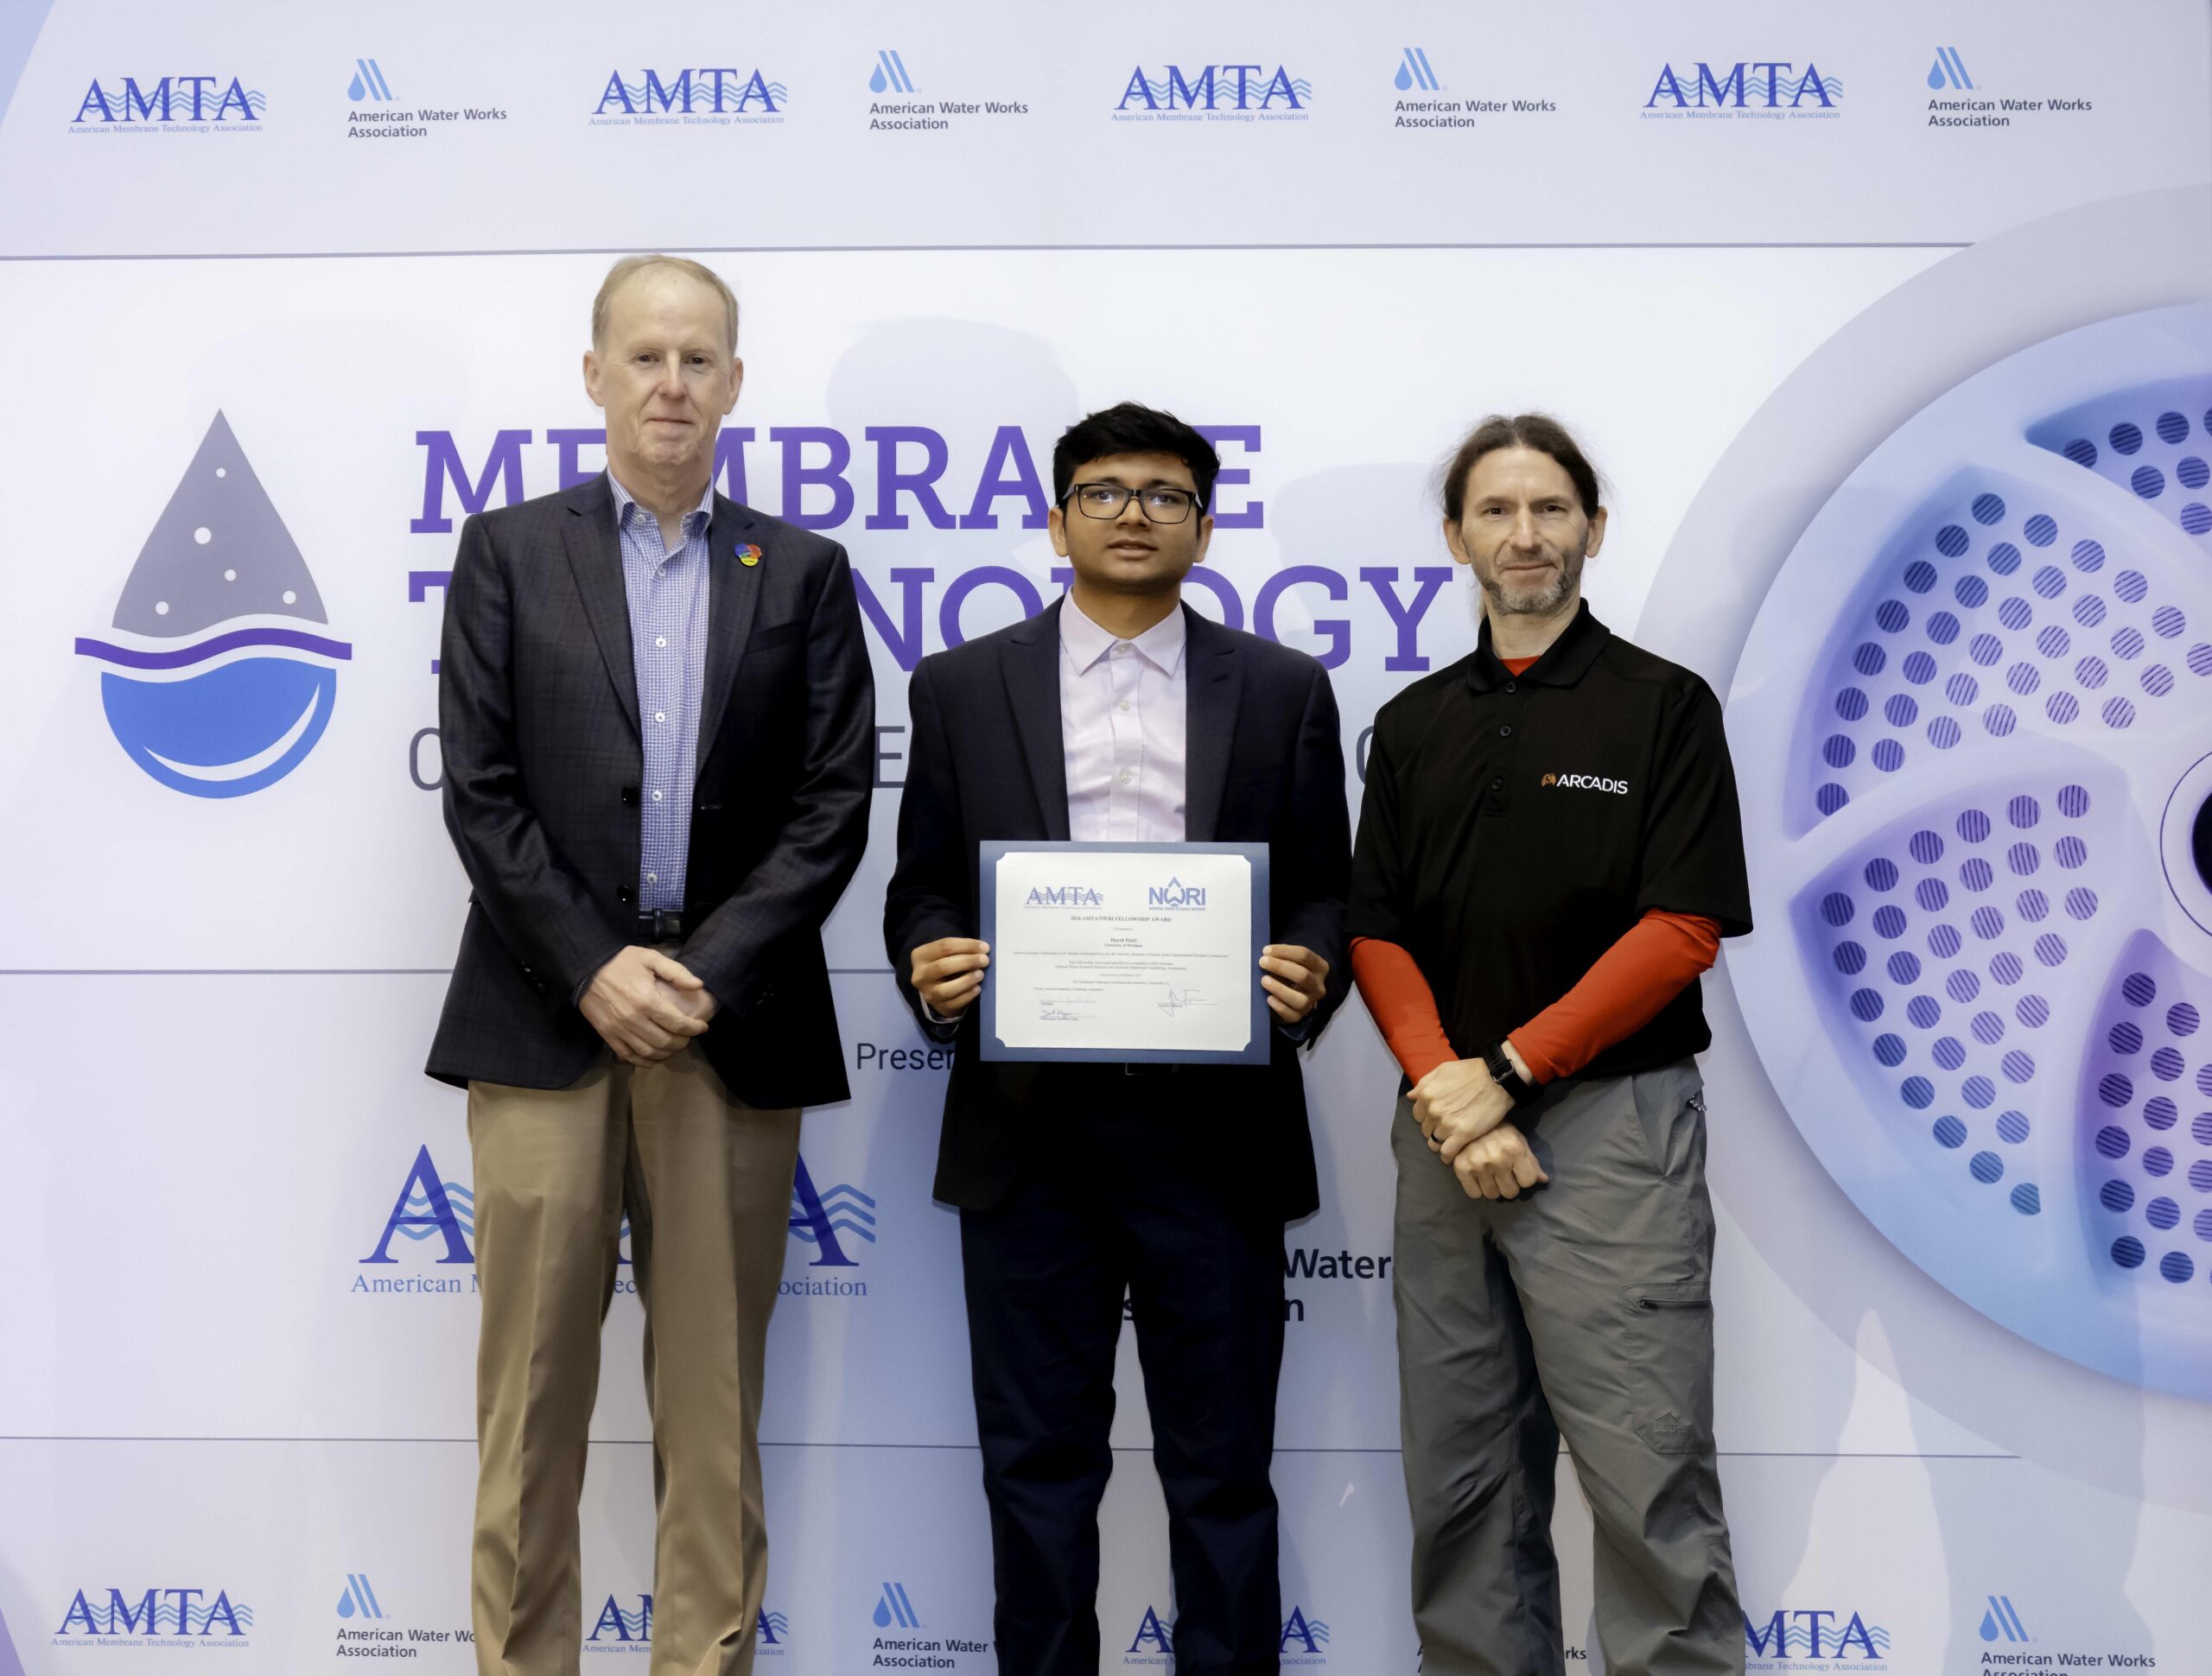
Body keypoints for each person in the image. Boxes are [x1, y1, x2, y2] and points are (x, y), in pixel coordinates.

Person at [425, 254, 874, 1676]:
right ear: (594, 375)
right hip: (544, 1022)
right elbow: (481, 790)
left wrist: (702, 973)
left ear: (734, 383)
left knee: (713, 1412)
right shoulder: (507, 551)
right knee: (529, 1408)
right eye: (645, 356)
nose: (670, 384)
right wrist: (593, 967)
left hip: (727, 1032)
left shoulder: (802, 571)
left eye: (697, 359)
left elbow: (833, 804)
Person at [884, 403, 1351, 1675]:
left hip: (1218, 1138)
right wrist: (934, 961)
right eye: (1102, 493)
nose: (1132, 515)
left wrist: (1310, 967)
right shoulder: (961, 686)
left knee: (1224, 1474)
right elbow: (921, 886)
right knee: (1036, 1471)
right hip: (1028, 1140)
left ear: (1204, 526)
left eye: (1163, 495)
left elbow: (1324, 888)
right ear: (1057, 522)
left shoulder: (1283, 689)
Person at [1349, 415, 1751, 1676]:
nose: (1524, 536)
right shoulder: (1412, 723)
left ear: (1594, 528)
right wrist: (1446, 1087)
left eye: (1550, 509)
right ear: (1456, 537)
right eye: (1496, 511)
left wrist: (1508, 1074)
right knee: (1462, 1484)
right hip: (1444, 1134)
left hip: (1610, 1130)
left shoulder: (1662, 706)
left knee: (1646, 1482)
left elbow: (1682, 928)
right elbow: (1375, 931)